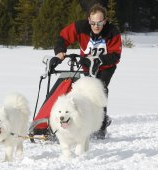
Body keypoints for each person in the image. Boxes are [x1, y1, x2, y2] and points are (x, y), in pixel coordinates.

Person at [53, 3, 122, 139]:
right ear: (88, 20)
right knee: (85, 92)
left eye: (99, 23)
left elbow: (115, 55)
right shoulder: (80, 27)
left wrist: (98, 60)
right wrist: (60, 51)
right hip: (87, 65)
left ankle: (100, 126)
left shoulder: (112, 31)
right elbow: (63, 37)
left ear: (105, 21)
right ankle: (86, 120)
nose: (96, 26)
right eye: (93, 22)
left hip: (106, 66)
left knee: (99, 89)